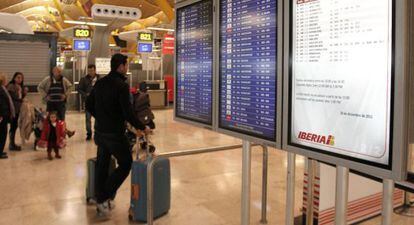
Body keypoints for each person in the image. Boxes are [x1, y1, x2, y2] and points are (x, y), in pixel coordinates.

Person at [86, 54, 150, 218]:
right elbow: (127, 113)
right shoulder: (121, 85)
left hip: (100, 132)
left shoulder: (100, 83)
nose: (127, 68)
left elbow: (88, 104)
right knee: (126, 163)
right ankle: (105, 194)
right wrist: (142, 126)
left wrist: (100, 117)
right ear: (120, 66)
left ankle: (101, 202)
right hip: (114, 134)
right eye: (126, 65)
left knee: (102, 165)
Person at [78, 64, 100, 140]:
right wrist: (85, 94)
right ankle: (89, 133)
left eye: (92, 70)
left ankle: (97, 133)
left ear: (95, 70)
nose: (90, 72)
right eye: (89, 70)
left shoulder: (99, 79)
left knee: (98, 119)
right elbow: (79, 89)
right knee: (88, 118)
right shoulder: (84, 79)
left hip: (98, 102)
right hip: (88, 102)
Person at [7, 72, 28, 151]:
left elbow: (20, 98)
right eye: (18, 77)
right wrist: (22, 98)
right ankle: (11, 144)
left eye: (21, 78)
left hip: (18, 109)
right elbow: (13, 98)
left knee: (15, 126)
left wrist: (24, 93)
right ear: (14, 78)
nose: (20, 79)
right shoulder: (11, 86)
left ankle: (12, 143)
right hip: (12, 110)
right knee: (13, 126)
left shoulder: (20, 86)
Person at [0, 73, 16, 159]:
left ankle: (0, 151)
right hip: (2, 115)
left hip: (4, 114)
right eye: (5, 79)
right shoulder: (0, 89)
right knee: (2, 133)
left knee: (3, 133)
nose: (7, 81)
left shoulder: (3, 88)